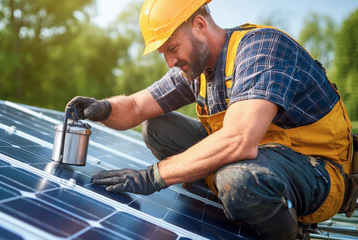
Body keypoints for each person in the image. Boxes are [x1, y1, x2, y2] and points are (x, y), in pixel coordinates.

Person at [67, 0, 357, 239]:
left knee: (239, 180)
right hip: (260, 157)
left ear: (200, 26)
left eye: (172, 48)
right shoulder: (196, 69)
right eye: (163, 53)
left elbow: (239, 140)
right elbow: (134, 106)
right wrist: (102, 108)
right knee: (157, 128)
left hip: (316, 172)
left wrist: (153, 176)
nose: (169, 61)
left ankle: (290, 231)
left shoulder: (262, 50)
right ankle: (235, 195)